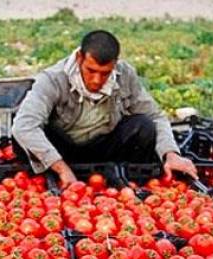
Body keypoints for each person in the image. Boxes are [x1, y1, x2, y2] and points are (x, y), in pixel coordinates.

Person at [12, 30, 197, 187]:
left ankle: (128, 180)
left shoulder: (124, 75)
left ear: (114, 64)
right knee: (23, 134)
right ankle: (50, 174)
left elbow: (156, 117)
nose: (97, 80)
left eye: (105, 73)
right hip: (61, 148)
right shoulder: (53, 79)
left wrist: (171, 154)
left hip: (104, 148)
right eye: (91, 70)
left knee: (144, 125)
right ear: (79, 58)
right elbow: (24, 126)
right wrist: (61, 167)